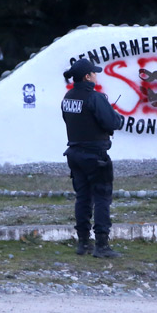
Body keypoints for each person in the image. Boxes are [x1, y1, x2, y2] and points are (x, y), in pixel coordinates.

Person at [61, 58, 125, 258]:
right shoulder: (95, 97)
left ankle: (83, 243)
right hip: (95, 155)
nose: (97, 76)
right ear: (87, 77)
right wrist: (117, 116)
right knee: (102, 198)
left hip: (74, 154)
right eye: (94, 73)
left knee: (83, 198)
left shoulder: (68, 97)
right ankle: (102, 245)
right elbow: (112, 122)